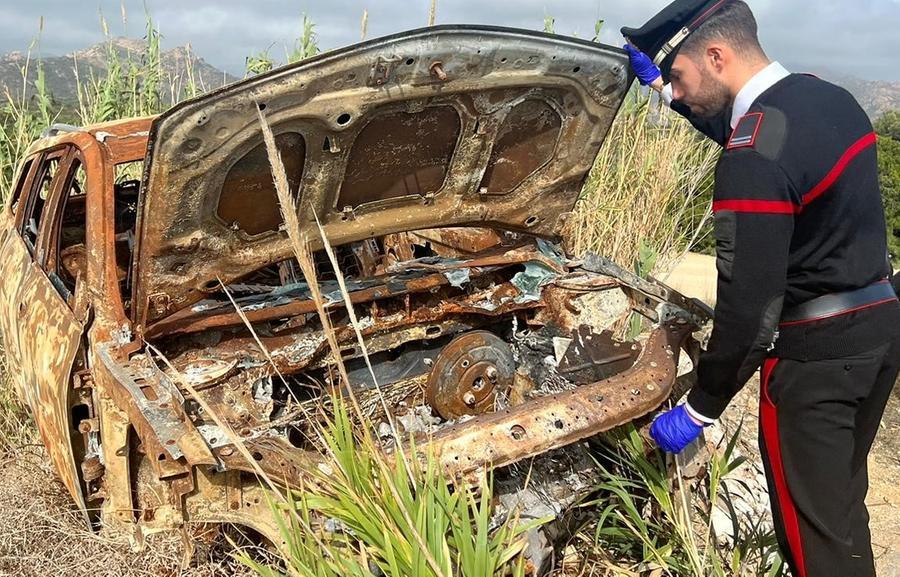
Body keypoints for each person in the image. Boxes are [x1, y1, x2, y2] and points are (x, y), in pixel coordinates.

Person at [620, 1, 900, 576]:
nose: (677, 91)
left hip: (813, 365)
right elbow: (748, 128)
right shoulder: (828, 99)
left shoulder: (751, 159)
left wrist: (700, 407)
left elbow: (750, 315)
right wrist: (661, 92)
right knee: (838, 513)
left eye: (678, 77)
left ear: (717, 55)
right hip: (878, 332)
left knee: (811, 544)